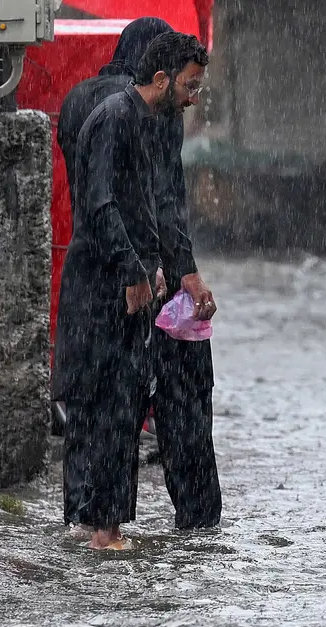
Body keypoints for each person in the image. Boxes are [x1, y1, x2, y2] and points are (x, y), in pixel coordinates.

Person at [58, 20, 221, 535]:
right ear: (159, 72)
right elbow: (117, 203)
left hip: (121, 279)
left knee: (104, 402)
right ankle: (164, 524)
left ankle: (90, 521)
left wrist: (170, 271)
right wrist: (156, 271)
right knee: (138, 401)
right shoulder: (126, 116)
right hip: (126, 279)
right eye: (190, 85)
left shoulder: (85, 101)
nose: (193, 98)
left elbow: (119, 203)